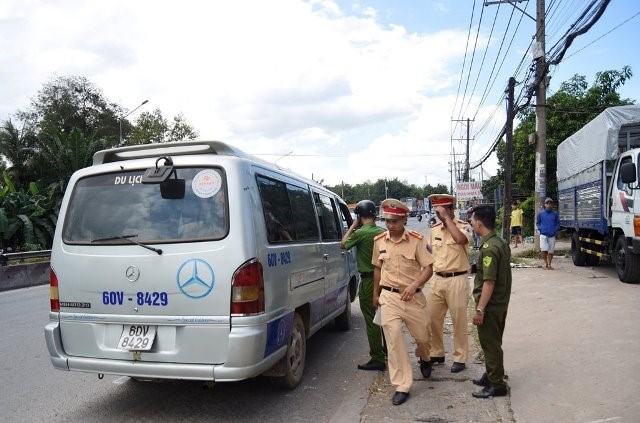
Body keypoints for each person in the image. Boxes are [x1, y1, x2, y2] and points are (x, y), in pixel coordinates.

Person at [372, 198, 434, 406]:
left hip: (413, 297)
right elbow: (377, 269)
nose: (390, 225)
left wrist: (415, 284)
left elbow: (428, 268)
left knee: (423, 336)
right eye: (388, 221)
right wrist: (375, 294)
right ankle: (402, 384)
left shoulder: (416, 240)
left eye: (395, 221)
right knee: (394, 338)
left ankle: (425, 357)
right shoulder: (379, 241)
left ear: (404, 219)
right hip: (389, 297)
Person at [425, 193, 473, 374]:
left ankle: (460, 357)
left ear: (451, 209)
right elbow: (431, 252)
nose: (439, 215)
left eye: (442, 211)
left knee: (458, 320)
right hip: (437, 279)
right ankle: (437, 352)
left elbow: (460, 240)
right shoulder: (434, 229)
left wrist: (447, 219)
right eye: (437, 212)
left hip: (457, 279)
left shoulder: (464, 227)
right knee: (432, 318)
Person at [469, 204, 512, 398]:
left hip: (491, 305)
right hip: (499, 303)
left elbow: (489, 282)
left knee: (490, 343)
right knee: (492, 342)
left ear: (479, 223)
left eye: (472, 221)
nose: (471, 225)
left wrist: (480, 310)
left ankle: (497, 385)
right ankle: (492, 373)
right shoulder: (499, 242)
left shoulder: (489, 248)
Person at [341, 199, 386, 371]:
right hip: (384, 279)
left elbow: (343, 244)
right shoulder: (382, 232)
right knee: (385, 317)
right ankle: (388, 350)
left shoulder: (360, 233)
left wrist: (353, 226)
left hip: (368, 280)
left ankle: (377, 358)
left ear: (359, 216)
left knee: (371, 319)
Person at [535, 197, 560, 269]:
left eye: (550, 204)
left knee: (551, 251)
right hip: (543, 234)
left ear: (552, 205)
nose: (549, 205)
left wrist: (555, 230)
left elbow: (558, 223)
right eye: (547, 203)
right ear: (545, 205)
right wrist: (541, 229)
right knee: (543, 249)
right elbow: (538, 223)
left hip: (552, 235)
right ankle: (546, 262)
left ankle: (549, 264)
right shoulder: (541, 214)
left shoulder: (555, 214)